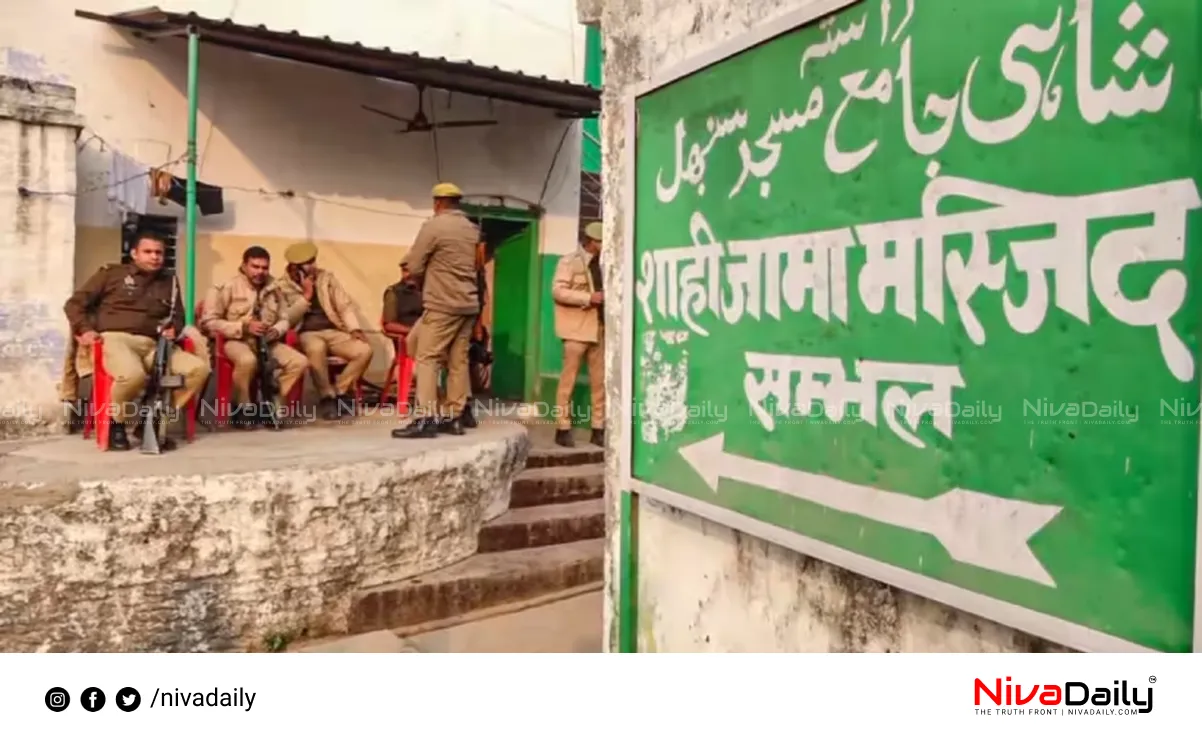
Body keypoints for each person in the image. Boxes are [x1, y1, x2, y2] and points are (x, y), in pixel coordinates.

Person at [63, 230, 211, 451]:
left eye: (159, 253)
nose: (154, 257)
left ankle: (149, 421)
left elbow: (178, 315)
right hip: (116, 339)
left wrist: (174, 329)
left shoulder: (169, 281)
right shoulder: (111, 274)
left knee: (198, 369)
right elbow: (74, 304)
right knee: (132, 376)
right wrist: (84, 330)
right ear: (134, 253)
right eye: (148, 252)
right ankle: (116, 424)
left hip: (153, 344)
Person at [392, 182, 481, 439]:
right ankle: (454, 417)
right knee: (457, 360)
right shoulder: (471, 229)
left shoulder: (433, 226)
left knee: (427, 358)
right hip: (468, 303)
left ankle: (425, 418)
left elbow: (415, 265)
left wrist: (424, 276)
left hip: (442, 303)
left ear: (438, 203)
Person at [201, 245, 309, 429]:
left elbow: (285, 319)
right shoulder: (226, 287)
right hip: (236, 340)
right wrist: (242, 327)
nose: (260, 272)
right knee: (247, 360)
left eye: (264, 267)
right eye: (255, 266)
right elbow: (208, 322)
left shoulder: (275, 288)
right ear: (244, 266)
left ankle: (271, 402)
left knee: (299, 362)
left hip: (268, 341)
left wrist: (276, 330)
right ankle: (242, 408)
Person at [278, 242, 373, 420]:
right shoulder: (282, 286)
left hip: (333, 329)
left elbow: (344, 305)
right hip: (306, 333)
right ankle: (325, 396)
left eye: (313, 260)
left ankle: (339, 391)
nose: (313, 266)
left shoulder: (326, 278)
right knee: (316, 348)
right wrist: (306, 296)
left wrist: (354, 328)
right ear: (295, 267)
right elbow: (287, 319)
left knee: (364, 350)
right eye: (308, 263)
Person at [551, 221, 605, 448]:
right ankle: (562, 427)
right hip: (575, 329)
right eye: (601, 241)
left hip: (600, 328)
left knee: (600, 383)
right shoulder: (569, 261)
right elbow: (557, 291)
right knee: (568, 382)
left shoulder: (606, 264)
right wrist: (587, 298)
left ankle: (598, 428)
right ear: (591, 242)